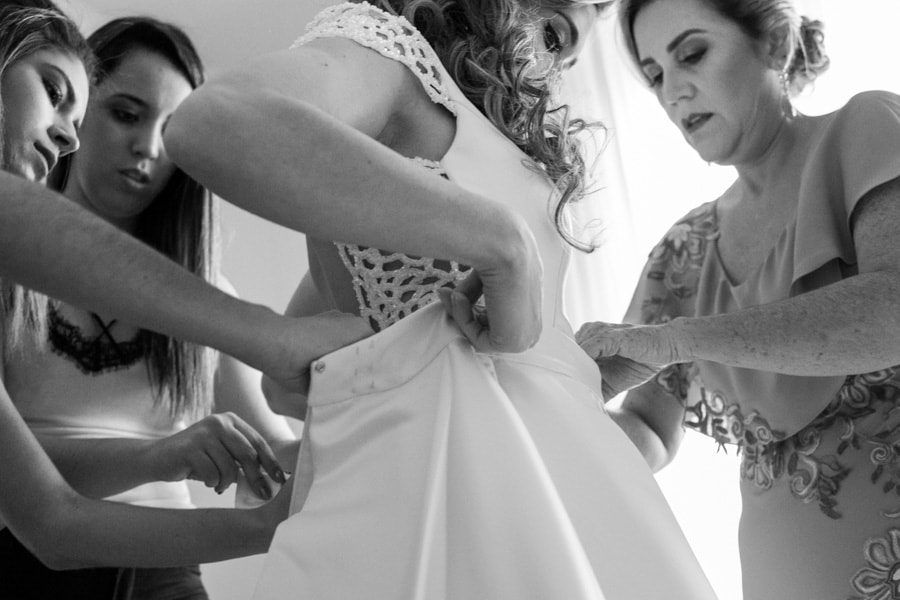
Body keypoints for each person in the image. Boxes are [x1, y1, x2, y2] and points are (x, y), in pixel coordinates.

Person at [163, 1, 720, 598]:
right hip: (433, 496)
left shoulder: (473, 128)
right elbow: (217, 120)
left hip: (555, 485)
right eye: (554, 30)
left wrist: (565, 369)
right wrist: (503, 246)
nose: (551, 67)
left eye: (564, 54)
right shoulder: (391, 55)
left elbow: (291, 380)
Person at [0, 2, 371, 581]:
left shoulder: (204, 293)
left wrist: (366, 432)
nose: (148, 147)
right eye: (125, 113)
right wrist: (164, 456)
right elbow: (44, 515)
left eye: (173, 132)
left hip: (164, 570)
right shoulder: (11, 272)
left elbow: (270, 449)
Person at [575, 0, 900, 598]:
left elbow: (893, 308)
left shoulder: (869, 128)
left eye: (691, 54)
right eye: (654, 76)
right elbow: (649, 425)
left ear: (774, 42)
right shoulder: (680, 253)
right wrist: (555, 422)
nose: (673, 91)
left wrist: (676, 340)